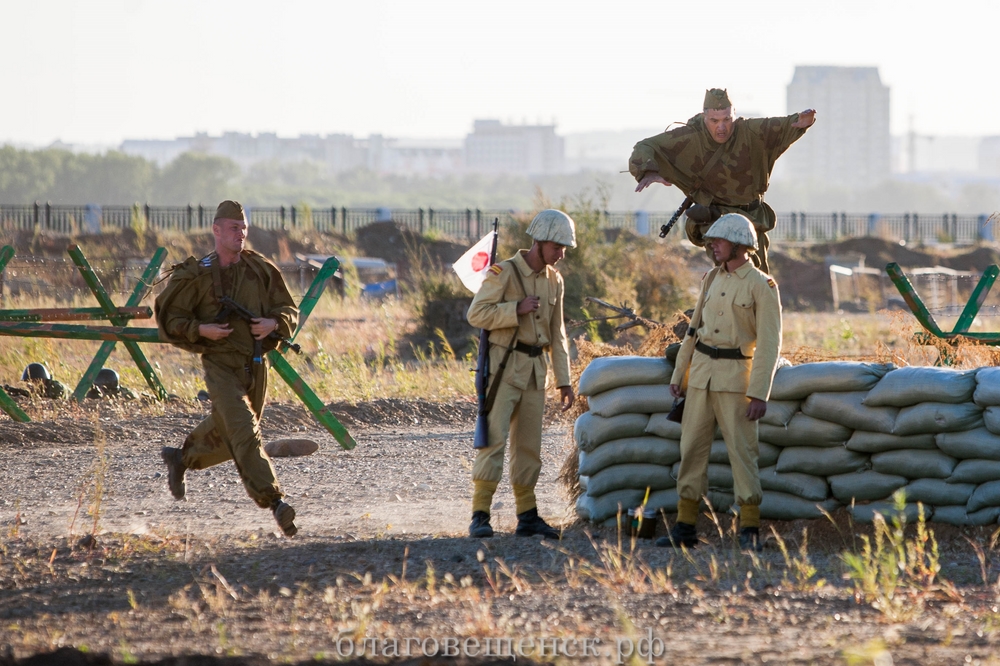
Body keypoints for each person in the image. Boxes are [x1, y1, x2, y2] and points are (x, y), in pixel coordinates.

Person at [154, 200, 300, 537]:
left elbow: (288, 309)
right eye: (234, 228)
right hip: (220, 366)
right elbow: (169, 317)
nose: (241, 234)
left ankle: (181, 458)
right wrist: (200, 330)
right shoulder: (197, 273)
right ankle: (276, 502)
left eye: (244, 228)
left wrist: (272, 322)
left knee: (232, 432)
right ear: (216, 230)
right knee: (245, 431)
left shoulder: (260, 269)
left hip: (256, 363)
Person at [656, 213, 782, 552]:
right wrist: (679, 374)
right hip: (700, 377)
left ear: (740, 246)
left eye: (719, 242)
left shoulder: (762, 285)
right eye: (711, 242)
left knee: (743, 453)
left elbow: (770, 344)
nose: (712, 246)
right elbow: (693, 330)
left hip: (736, 381)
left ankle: (750, 529)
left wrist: (759, 393)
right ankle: (684, 528)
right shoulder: (711, 278)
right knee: (691, 451)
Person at [466, 209, 576, 539]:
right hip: (503, 369)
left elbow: (558, 333)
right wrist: (514, 310)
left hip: (535, 372)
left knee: (529, 448)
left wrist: (564, 380)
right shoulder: (504, 272)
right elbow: (476, 314)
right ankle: (480, 515)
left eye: (563, 248)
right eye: (557, 247)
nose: (562, 254)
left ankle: (527, 515)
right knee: (494, 442)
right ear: (540, 242)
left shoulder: (555, 280)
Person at [629, 88, 816, 274]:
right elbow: (645, 146)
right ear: (704, 118)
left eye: (727, 120)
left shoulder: (751, 132)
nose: (721, 127)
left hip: (752, 219)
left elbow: (784, 125)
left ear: (734, 115)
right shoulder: (690, 138)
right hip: (716, 219)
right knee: (732, 270)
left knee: (757, 278)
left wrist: (801, 121)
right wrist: (649, 170)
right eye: (714, 121)